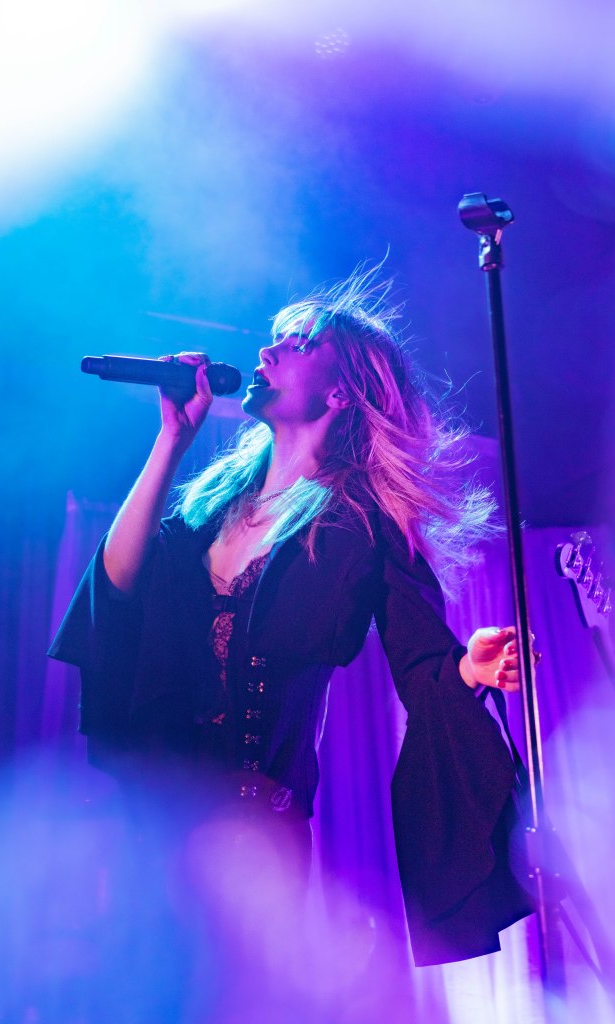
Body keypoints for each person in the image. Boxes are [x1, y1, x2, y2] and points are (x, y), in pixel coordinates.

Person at [49, 268, 533, 971]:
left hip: (256, 838)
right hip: (153, 820)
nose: (268, 351)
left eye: (297, 342)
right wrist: (171, 441)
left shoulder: (362, 526)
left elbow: (425, 669)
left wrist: (469, 668)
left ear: (340, 392)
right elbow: (115, 589)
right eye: (273, 338)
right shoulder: (208, 509)